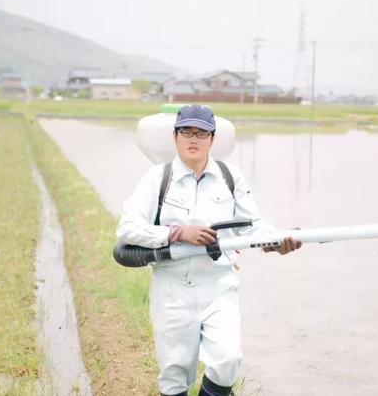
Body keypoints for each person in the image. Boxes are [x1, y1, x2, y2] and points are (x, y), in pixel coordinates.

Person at [116, 104, 302, 396]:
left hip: (218, 284)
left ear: (212, 140)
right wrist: (178, 233)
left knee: (228, 359)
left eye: (202, 133)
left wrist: (276, 242)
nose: (194, 139)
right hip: (172, 285)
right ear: (175, 136)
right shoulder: (158, 178)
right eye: (187, 132)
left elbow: (252, 225)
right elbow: (127, 229)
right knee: (174, 372)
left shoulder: (230, 177)